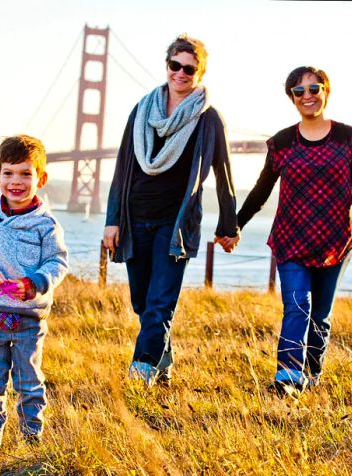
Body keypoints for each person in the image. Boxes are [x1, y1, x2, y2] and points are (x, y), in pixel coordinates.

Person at [103, 34, 240, 388]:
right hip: (135, 218)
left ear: (200, 73)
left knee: (160, 303)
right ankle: (162, 362)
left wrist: (229, 224)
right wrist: (112, 220)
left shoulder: (208, 120)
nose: (181, 73)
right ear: (167, 66)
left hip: (174, 223)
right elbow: (122, 167)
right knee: (141, 302)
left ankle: (141, 372)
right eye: (175, 65)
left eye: (189, 69)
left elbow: (223, 173)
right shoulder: (142, 110)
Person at [235, 66, 352, 397]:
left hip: (335, 241)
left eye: (314, 88)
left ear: (326, 91)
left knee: (320, 317)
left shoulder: (347, 138)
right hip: (291, 240)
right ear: (291, 98)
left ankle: (310, 375)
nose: (307, 96)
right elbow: (261, 189)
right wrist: (235, 224)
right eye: (299, 91)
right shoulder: (282, 142)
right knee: (297, 306)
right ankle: (288, 378)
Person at [0, 134, 68, 449]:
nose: (16, 181)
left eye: (25, 173)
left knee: (28, 379)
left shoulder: (46, 225)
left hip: (28, 316)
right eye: (8, 173)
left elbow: (56, 262)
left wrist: (33, 282)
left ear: (41, 178)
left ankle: (31, 433)